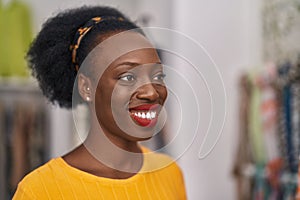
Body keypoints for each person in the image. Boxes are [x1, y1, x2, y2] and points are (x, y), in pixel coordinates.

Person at [13, 5, 187, 200]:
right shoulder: (40, 191)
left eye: (157, 76)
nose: (151, 92)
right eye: (128, 77)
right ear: (86, 87)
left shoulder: (170, 174)